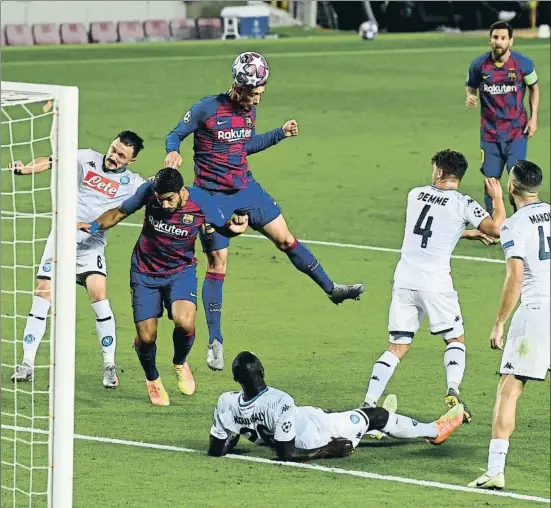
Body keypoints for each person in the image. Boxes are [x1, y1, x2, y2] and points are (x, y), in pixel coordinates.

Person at [165, 52, 365, 372]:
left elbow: (246, 145)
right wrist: (173, 152)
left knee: (286, 239)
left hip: (246, 188)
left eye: (261, 92)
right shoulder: (207, 108)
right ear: (237, 86)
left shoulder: (248, 111)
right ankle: (215, 341)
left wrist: (280, 134)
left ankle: (332, 290)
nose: (257, 100)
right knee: (218, 264)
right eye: (252, 93)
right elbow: (174, 133)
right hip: (211, 196)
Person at [78, 168, 248, 406]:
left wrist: (235, 229)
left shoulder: (201, 202)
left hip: (181, 271)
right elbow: (119, 212)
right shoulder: (149, 192)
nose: (165, 204)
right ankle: (153, 379)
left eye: (170, 199)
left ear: (181, 192)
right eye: (161, 200)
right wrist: (95, 226)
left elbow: (223, 227)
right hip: (144, 272)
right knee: (147, 338)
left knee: (185, 322)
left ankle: (179, 362)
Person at [361, 149, 506, 424]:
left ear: (439, 172)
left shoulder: (415, 195)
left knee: (397, 347)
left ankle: (368, 401)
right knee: (455, 339)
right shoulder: (463, 203)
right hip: (435, 284)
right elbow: (497, 228)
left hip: (404, 281)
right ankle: (453, 391)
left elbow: (428, 229)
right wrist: (497, 198)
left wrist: (466, 233)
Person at [10, 131, 146, 388]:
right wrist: (26, 169)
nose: (113, 157)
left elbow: (157, 192)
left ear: (131, 160)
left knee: (99, 294)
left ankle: (109, 365)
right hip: (62, 235)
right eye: (113, 149)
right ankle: (27, 363)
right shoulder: (85, 159)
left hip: (91, 243)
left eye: (121, 156)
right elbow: (51, 161)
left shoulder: (134, 183)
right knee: (43, 294)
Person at [207, 351, 465, 461]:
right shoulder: (279, 400)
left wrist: (238, 431)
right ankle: (435, 430)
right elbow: (288, 454)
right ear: (262, 370)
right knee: (375, 415)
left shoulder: (226, 402)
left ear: (236, 379)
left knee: (331, 412)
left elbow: (217, 449)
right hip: (316, 436)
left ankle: (370, 429)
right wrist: (327, 450)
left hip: (306, 417)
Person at [469, 160, 549, 490]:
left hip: (535, 313)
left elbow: (516, 277)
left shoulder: (514, 226)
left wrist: (499, 322)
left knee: (509, 388)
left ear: (511, 187)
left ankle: (495, 470)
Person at [465, 21, 540, 214]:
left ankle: (519, 219)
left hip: (516, 132)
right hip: (489, 135)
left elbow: (534, 88)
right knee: (491, 180)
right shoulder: (479, 65)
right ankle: (492, 221)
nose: (499, 42)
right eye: (495, 37)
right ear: (490, 39)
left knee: (517, 179)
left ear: (511, 41)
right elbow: (471, 85)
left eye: (503, 38)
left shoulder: (523, 64)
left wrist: (534, 119)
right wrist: (470, 95)